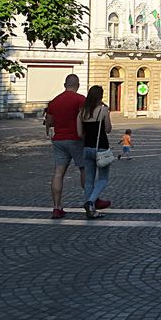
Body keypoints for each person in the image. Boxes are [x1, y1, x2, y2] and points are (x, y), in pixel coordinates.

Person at [44, 74, 87, 219]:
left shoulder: (54, 101)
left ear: (64, 84)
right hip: (76, 139)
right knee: (84, 168)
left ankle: (57, 207)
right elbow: (85, 118)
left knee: (58, 173)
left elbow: (49, 122)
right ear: (78, 85)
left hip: (59, 140)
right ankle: (90, 201)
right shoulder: (80, 99)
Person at [77, 85, 113, 219]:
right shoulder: (103, 110)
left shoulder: (81, 112)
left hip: (87, 148)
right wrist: (106, 113)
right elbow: (108, 129)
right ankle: (90, 202)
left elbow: (80, 134)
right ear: (100, 97)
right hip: (102, 147)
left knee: (88, 180)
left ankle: (90, 210)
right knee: (103, 179)